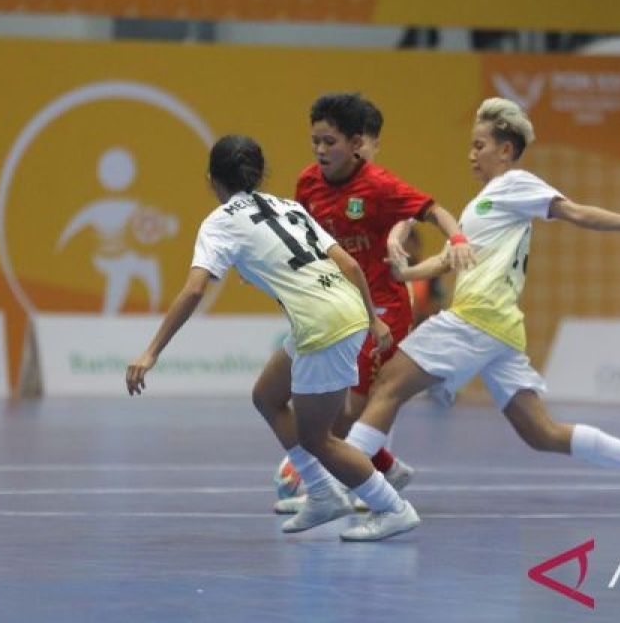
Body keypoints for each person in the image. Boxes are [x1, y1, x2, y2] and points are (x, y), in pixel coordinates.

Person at [343, 98, 620, 519]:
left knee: (387, 386)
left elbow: (572, 211)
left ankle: (343, 481)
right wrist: (402, 273)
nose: (471, 155)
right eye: (470, 146)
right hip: (499, 329)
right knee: (541, 433)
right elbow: (449, 260)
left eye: (480, 145)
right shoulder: (479, 206)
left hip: (476, 318)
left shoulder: (515, 184)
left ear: (506, 150)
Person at [125, 135, 420, 541]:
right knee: (266, 395)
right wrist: (372, 319)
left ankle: (393, 508)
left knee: (320, 439)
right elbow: (349, 264)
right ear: (259, 174)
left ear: (213, 180)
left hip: (324, 325)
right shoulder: (290, 206)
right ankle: (322, 495)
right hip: (340, 311)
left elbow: (194, 290)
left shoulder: (220, 221)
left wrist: (150, 351)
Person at [265, 94, 474, 511]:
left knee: (349, 406)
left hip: (382, 311)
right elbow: (304, 242)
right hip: (333, 310)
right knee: (311, 399)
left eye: (330, 142)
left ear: (357, 143)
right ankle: (383, 469)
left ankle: (329, 484)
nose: (321, 151)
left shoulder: (380, 186)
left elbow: (435, 211)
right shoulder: (308, 183)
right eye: (316, 142)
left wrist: (459, 239)